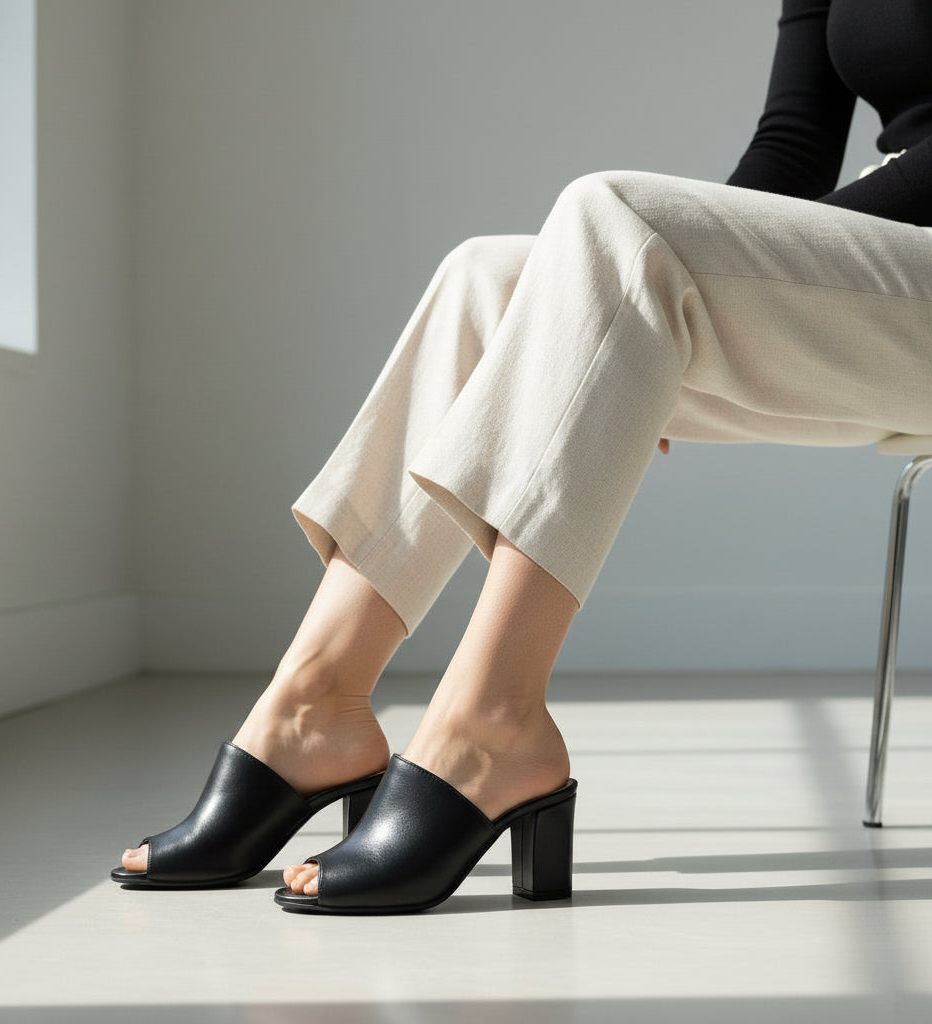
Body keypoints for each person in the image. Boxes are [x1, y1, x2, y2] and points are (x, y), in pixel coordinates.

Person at [112, 0, 932, 913]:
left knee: (614, 228)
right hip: (889, 280)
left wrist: (712, 277)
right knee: (490, 281)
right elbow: (792, 143)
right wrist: (711, 278)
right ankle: (314, 705)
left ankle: (493, 720)